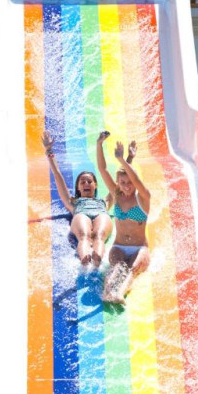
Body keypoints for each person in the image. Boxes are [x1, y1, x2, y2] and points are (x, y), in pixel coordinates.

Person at [42, 130, 113, 268]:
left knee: (99, 235)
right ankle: (85, 261)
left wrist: (99, 144)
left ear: (95, 185)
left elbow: (116, 184)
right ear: (78, 188)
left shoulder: (105, 201)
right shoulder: (72, 202)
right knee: (84, 236)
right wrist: (49, 150)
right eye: (82, 182)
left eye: (89, 181)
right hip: (81, 214)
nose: (86, 184)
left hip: (101, 213)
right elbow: (57, 175)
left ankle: (97, 260)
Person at [97, 133, 151, 305]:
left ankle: (119, 294)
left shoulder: (143, 198)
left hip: (139, 247)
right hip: (119, 245)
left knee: (132, 268)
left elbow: (135, 178)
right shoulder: (117, 196)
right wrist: (99, 144)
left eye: (130, 183)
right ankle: (107, 293)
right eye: (123, 183)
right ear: (118, 183)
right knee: (117, 266)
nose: (127, 186)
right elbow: (103, 170)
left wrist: (122, 160)